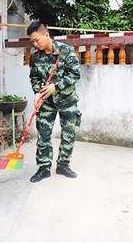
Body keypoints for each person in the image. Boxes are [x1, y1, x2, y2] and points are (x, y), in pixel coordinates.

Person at [26, 21, 82, 183]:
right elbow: (34, 77)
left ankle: (63, 165)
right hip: (46, 102)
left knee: (68, 133)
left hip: (67, 100)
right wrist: (38, 93)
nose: (35, 44)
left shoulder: (65, 51)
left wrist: (55, 87)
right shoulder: (36, 57)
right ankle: (44, 168)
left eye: (37, 40)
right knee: (43, 134)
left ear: (46, 35)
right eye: (32, 42)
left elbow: (75, 74)